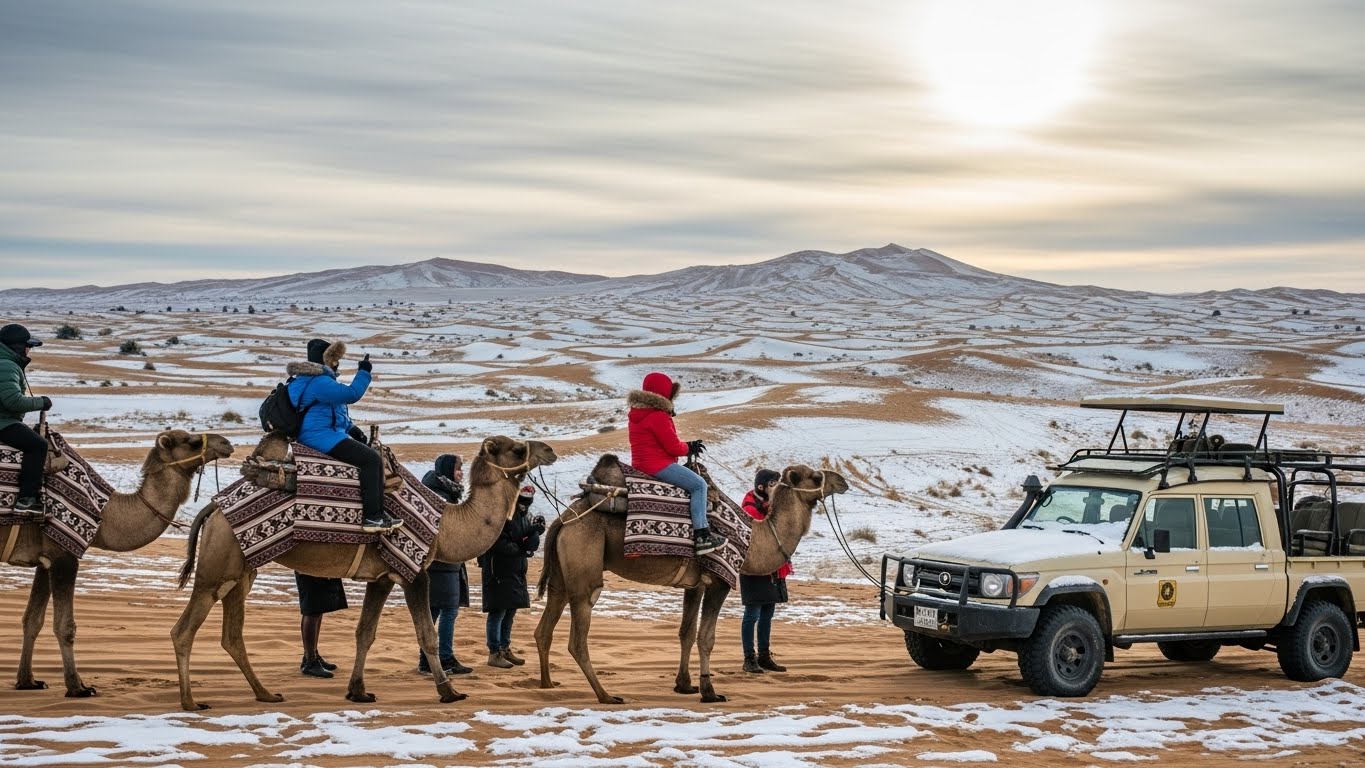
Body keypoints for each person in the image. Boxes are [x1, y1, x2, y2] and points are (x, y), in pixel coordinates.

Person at [288, 338, 401, 533]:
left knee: (369, 456)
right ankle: (372, 517)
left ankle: (378, 513)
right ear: (325, 359)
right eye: (334, 359)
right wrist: (364, 371)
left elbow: (333, 412)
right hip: (320, 437)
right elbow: (352, 394)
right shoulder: (319, 382)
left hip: (323, 434)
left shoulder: (312, 381)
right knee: (371, 460)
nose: (337, 363)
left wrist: (352, 429)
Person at [627, 371, 723, 555]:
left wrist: (686, 446)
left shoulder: (636, 413)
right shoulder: (658, 416)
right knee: (699, 485)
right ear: (664, 393)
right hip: (657, 465)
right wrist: (690, 447)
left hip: (641, 464)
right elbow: (673, 448)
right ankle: (702, 536)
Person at [479, 485, 544, 669]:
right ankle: (494, 652)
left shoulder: (524, 516)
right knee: (498, 612)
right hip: (498, 570)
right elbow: (498, 543)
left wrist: (535, 531)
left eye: (528, 503)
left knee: (510, 611)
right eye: (522, 502)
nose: (525, 506)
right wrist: (522, 547)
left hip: (515, 570)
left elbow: (529, 544)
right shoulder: (502, 515)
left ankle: (504, 648)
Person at [418, 453, 472, 675]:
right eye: (458, 469)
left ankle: (427, 660)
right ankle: (445, 659)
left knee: (433, 612)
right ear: (449, 470)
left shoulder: (444, 494)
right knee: (448, 611)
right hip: (442, 564)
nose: (461, 473)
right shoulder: (441, 498)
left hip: (445, 565)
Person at [739, 469, 790, 674]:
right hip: (754, 567)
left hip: (772, 567)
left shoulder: (771, 505)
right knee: (752, 614)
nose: (776, 487)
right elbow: (762, 531)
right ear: (761, 486)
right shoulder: (750, 508)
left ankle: (764, 655)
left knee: (767, 614)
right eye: (772, 484)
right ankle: (749, 658)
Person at [0, 324, 52, 521]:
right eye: (27, 346)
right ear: (18, 347)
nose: (29, 350)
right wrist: (42, 402)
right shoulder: (7, 366)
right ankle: (27, 499)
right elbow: (12, 401)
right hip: (3, 422)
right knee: (38, 445)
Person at [296, 572, 347, 678]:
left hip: (315, 568)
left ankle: (311, 656)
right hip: (311, 568)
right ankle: (310, 662)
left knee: (317, 608)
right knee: (313, 609)